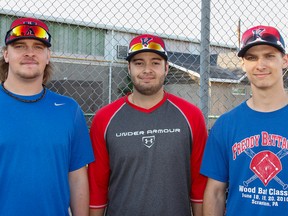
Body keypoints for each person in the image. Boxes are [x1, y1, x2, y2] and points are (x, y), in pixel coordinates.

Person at [88, 33, 208, 216]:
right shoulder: (105, 118)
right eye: (138, 63)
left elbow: (200, 186)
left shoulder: (191, 116)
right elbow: (97, 186)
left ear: (166, 68)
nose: (147, 69)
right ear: (129, 68)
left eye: (155, 62)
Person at [0, 17, 94, 216]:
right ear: (6, 54)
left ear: (48, 55)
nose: (30, 53)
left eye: (38, 47)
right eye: (20, 46)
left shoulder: (69, 110)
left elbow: (77, 176)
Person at [200, 25, 288, 215]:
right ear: (243, 64)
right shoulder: (226, 125)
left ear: (285, 60)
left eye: (269, 56)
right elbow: (215, 192)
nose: (260, 64)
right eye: (251, 57)